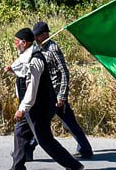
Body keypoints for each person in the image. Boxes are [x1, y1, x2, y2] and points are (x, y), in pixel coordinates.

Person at [1, 27, 84, 170]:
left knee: (44, 140)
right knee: (20, 132)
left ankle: (73, 166)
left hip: (39, 107)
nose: (15, 44)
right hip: (33, 106)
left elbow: (32, 88)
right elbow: (23, 71)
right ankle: (18, 167)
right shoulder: (28, 56)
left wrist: (22, 109)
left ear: (24, 43)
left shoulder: (36, 60)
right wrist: (12, 70)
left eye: (16, 42)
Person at [34, 21, 93, 159]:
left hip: (55, 94)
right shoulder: (39, 48)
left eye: (38, 36)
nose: (36, 38)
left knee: (40, 124)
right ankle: (85, 148)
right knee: (69, 122)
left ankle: (26, 150)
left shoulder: (53, 49)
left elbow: (64, 72)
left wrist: (62, 95)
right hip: (47, 93)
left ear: (44, 35)